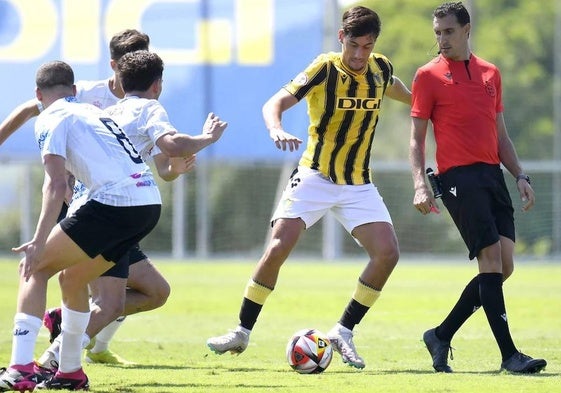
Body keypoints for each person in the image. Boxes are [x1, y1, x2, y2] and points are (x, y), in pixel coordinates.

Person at [206, 6, 411, 369]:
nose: (361, 55)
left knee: (388, 253)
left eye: (368, 46)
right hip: (315, 175)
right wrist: (275, 127)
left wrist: (432, 103)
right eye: (355, 46)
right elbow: (276, 102)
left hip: (358, 183)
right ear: (341, 38)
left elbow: (398, 89)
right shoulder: (325, 67)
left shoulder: (381, 68)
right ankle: (241, 330)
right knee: (277, 247)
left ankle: (344, 330)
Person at [35, 50, 228, 380]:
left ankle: (62, 346)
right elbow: (171, 143)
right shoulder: (148, 108)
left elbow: (164, 166)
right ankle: (47, 360)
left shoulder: (107, 111)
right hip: (111, 211)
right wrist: (206, 139)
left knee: (152, 293)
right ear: (157, 85)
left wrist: (175, 167)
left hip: (106, 209)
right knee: (83, 291)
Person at [0, 29, 171, 366]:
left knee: (45, 272)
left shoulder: (138, 107)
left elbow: (166, 164)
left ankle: (30, 366)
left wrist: (179, 160)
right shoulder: (86, 101)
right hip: (120, 204)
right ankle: (67, 363)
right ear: (115, 66)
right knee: (92, 291)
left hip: (110, 203)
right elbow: (30, 113)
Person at [409, 2, 547, 374]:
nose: (441, 40)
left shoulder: (491, 73)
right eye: (437, 33)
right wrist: (420, 184)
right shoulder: (427, 76)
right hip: (457, 179)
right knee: (489, 260)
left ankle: (440, 334)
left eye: (448, 32)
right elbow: (417, 141)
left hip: (492, 176)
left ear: (467, 30)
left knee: (503, 267)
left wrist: (520, 175)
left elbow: (500, 135)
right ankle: (510, 356)